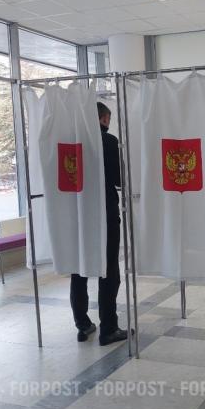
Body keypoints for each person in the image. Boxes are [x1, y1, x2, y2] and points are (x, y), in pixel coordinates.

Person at [69, 102, 131, 345]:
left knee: (79, 269)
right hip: (104, 213)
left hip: (77, 213)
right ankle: (109, 328)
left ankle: (83, 325)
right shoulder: (108, 141)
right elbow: (119, 179)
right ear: (104, 119)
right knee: (109, 270)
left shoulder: (71, 141)